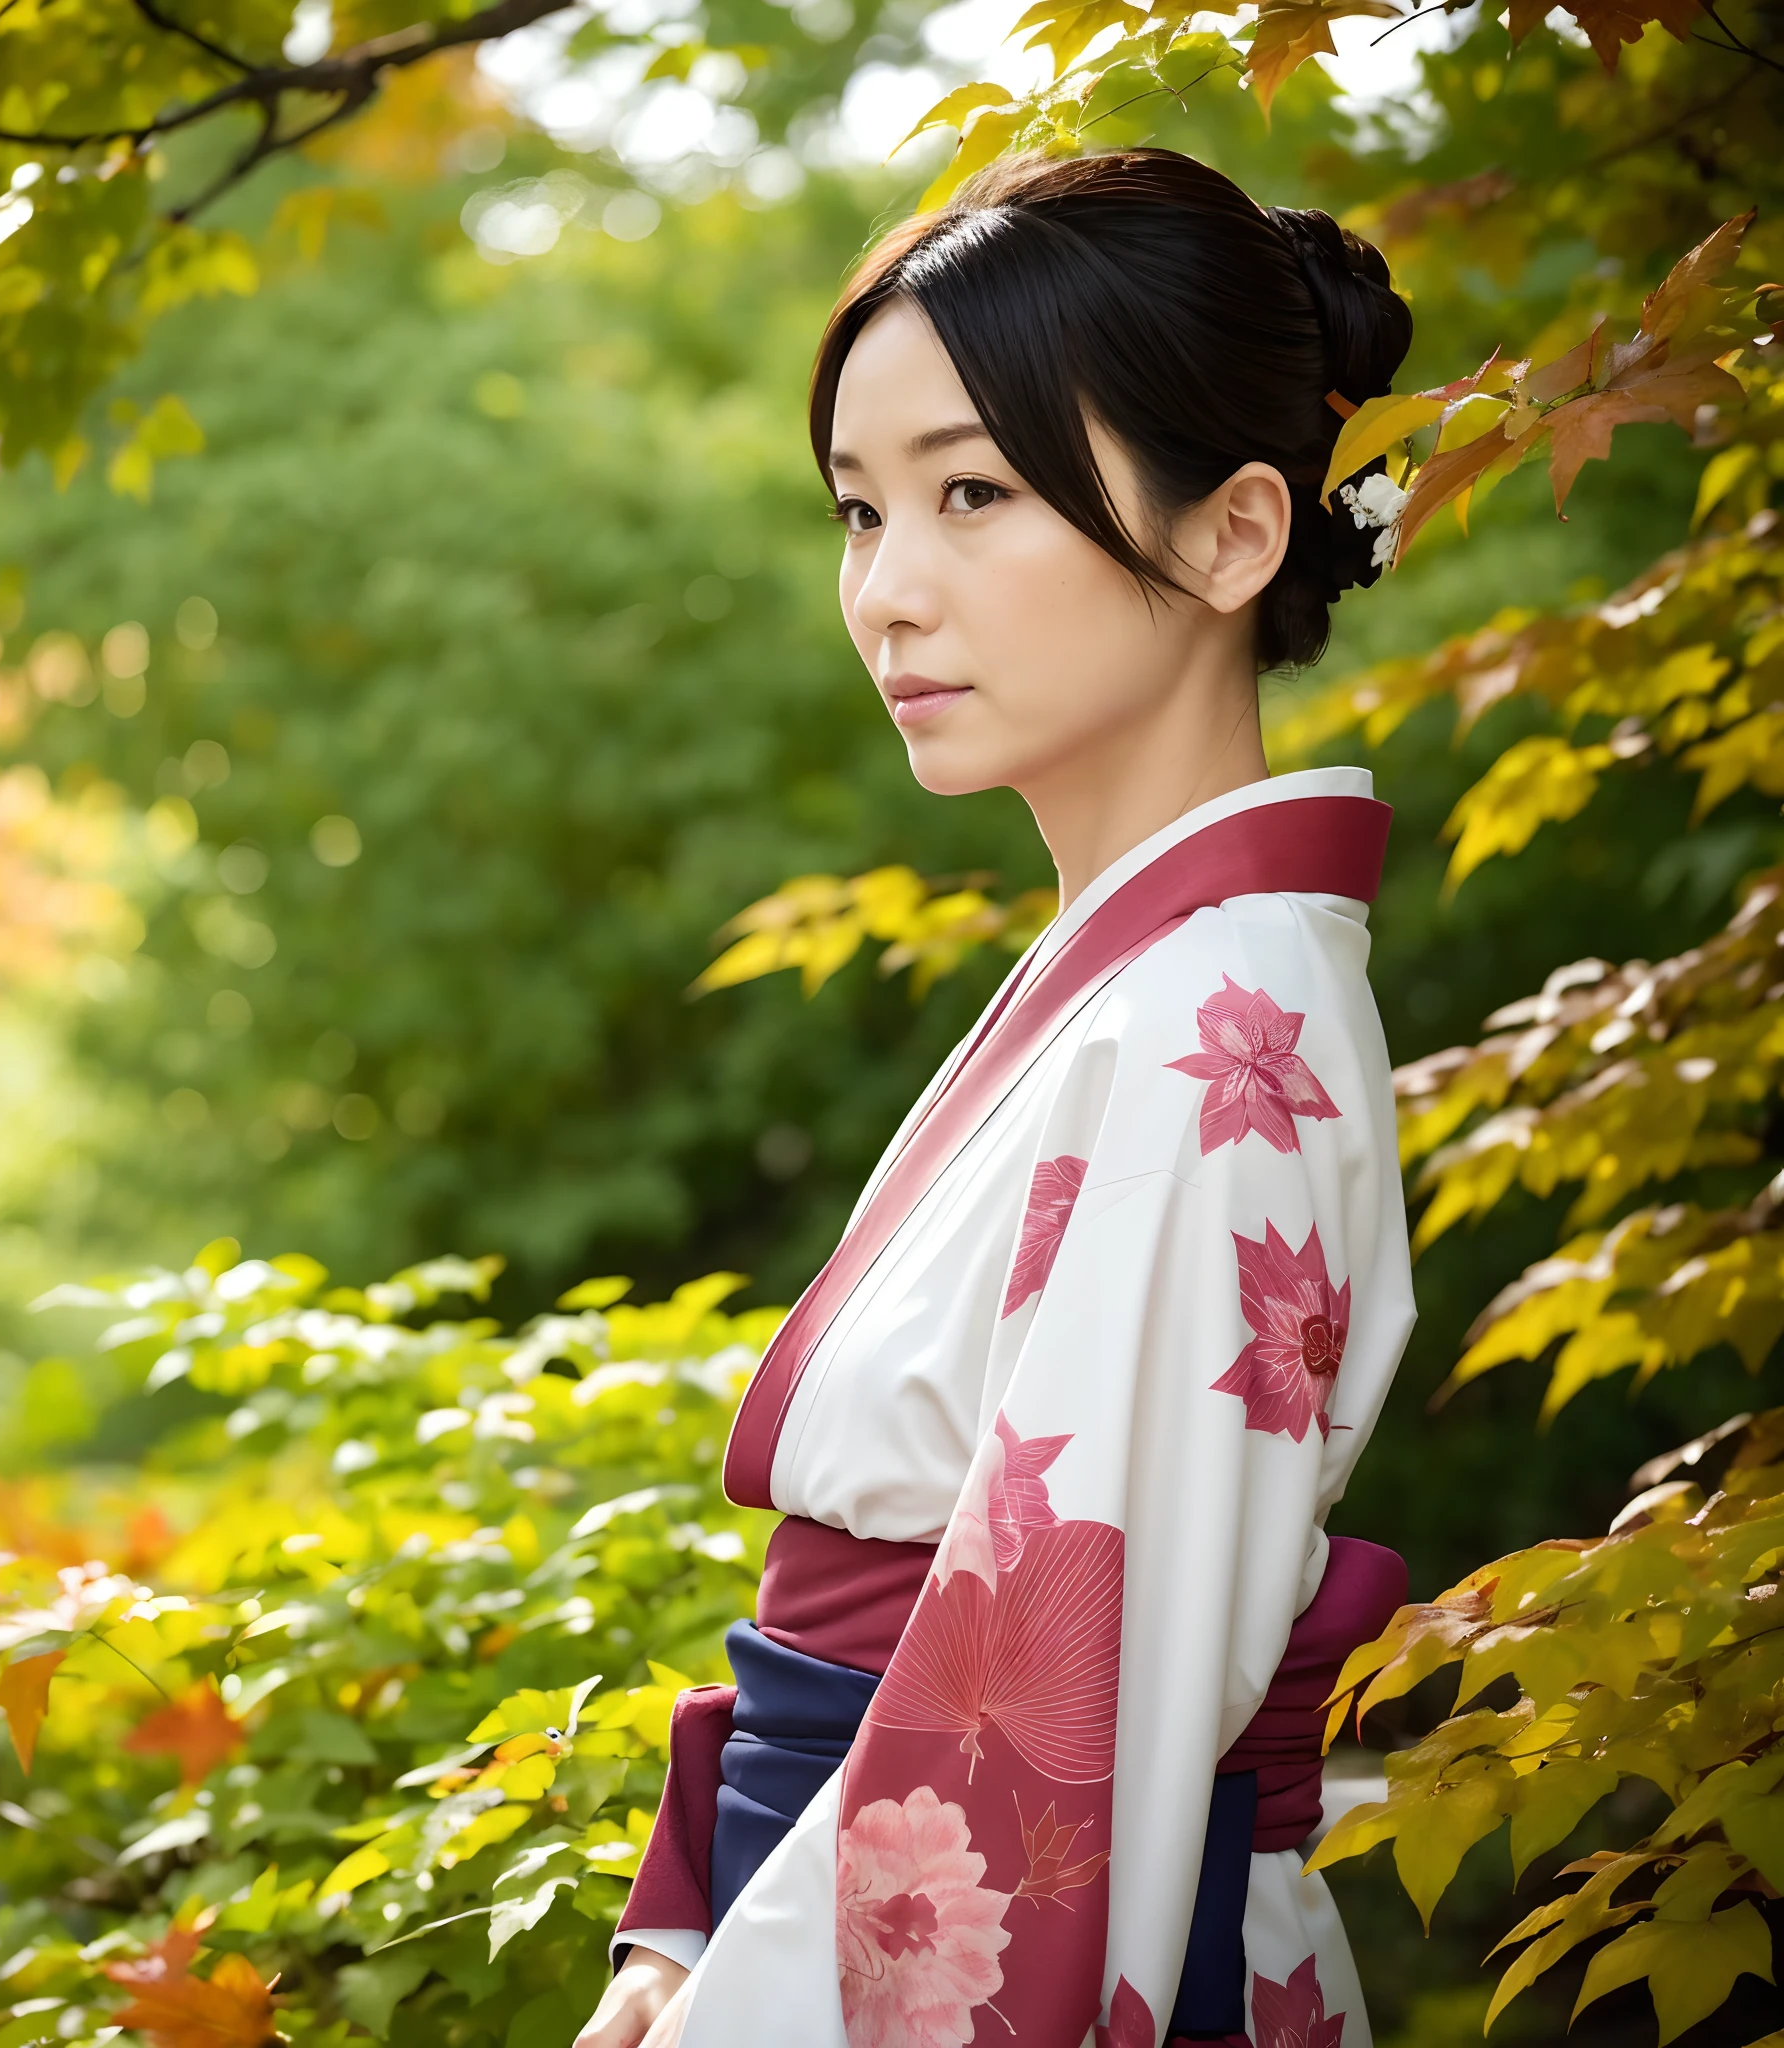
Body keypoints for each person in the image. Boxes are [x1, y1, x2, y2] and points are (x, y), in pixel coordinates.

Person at [574, 146, 1417, 2048]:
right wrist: (690, 1930)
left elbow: (1057, 1721)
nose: (888, 592)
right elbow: (861, 1629)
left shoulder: (1225, 1029)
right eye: (861, 512)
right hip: (824, 1887)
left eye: (973, 494)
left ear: (1233, 536)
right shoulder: (1151, 984)